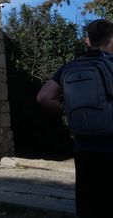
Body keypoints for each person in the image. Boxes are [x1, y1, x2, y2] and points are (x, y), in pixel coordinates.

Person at [37, 19, 113, 217]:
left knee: (88, 204)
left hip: (84, 146)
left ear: (88, 41)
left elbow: (44, 97)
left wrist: (66, 109)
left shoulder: (70, 67)